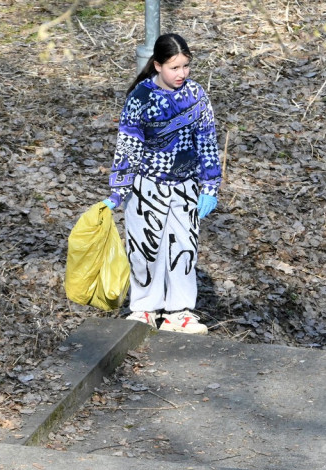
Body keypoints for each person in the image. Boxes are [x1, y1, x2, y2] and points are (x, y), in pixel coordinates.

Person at [104, 32, 221, 335]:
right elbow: (128, 145)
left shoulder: (196, 95)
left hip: (185, 187)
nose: (182, 74)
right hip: (145, 187)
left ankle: (179, 312)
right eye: (174, 67)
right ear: (157, 65)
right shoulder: (140, 98)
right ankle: (144, 308)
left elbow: (207, 142)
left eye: (186, 66)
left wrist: (210, 186)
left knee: (184, 249)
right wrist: (118, 191)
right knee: (144, 250)